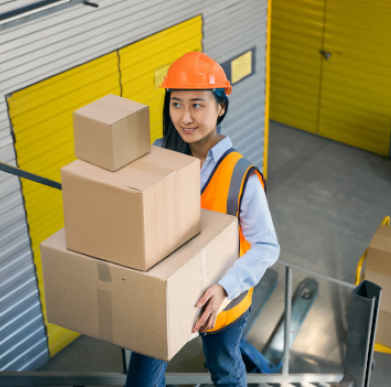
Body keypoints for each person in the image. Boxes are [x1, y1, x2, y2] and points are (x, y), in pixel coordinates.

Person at [124, 52, 280, 387]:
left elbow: (267, 246)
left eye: (197, 104)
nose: (185, 117)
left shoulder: (242, 176)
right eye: (176, 104)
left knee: (223, 368)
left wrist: (224, 289)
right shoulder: (158, 155)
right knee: (141, 380)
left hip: (222, 300)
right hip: (165, 292)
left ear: (220, 107)